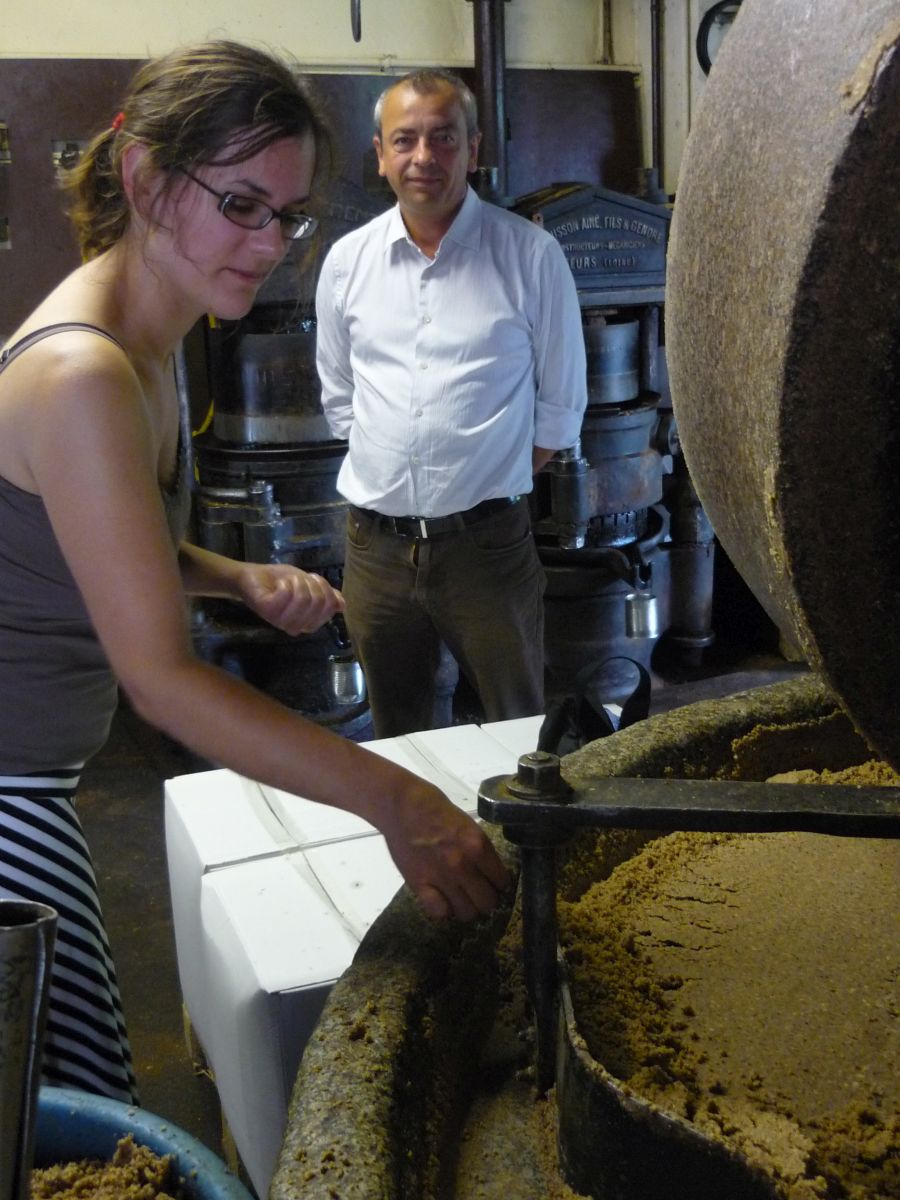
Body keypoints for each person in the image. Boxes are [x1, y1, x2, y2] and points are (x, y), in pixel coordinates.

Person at [0, 41, 509, 1107]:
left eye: (287, 216)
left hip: (35, 779)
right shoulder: (84, 373)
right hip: (10, 805)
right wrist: (399, 801)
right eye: (241, 205)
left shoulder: (147, 341)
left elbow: (88, 540)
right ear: (144, 177)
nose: (270, 244)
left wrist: (232, 578)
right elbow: (161, 681)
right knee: (68, 1117)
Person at [315, 68, 588, 738]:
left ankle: (518, 818)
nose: (423, 156)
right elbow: (340, 397)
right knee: (399, 736)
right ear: (381, 154)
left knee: (519, 729)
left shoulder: (531, 256)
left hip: (486, 549)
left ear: (473, 149)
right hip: (376, 552)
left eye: (443, 137)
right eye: (404, 140)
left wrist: (482, 482)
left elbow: (561, 406)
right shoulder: (347, 262)